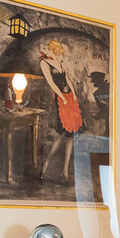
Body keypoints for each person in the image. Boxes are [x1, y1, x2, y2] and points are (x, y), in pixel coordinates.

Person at [38, 40, 82, 182]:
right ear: (52, 50)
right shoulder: (44, 63)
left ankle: (65, 172)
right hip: (60, 100)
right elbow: (51, 83)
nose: (58, 56)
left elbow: (67, 79)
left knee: (71, 136)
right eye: (57, 53)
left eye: (59, 54)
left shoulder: (59, 62)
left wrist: (74, 94)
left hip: (70, 99)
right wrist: (62, 97)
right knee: (61, 135)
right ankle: (46, 164)